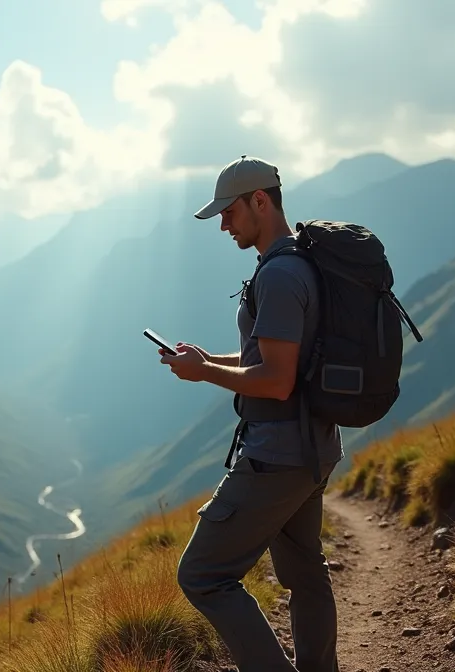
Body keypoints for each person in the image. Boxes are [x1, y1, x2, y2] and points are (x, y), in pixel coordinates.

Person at [158, 155, 343, 672]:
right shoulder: (301, 264)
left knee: (203, 575)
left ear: (260, 200)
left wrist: (202, 374)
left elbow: (277, 380)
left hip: (278, 454)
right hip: (312, 446)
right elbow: (276, 356)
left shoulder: (280, 276)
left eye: (229, 212)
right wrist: (206, 359)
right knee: (305, 573)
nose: (223, 224)